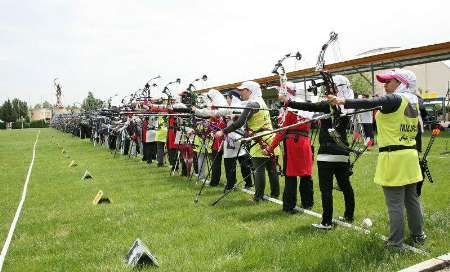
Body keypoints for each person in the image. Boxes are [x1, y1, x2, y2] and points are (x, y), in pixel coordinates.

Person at [327, 68, 426, 247]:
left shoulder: (396, 99)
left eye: (389, 81)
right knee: (411, 200)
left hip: (393, 158)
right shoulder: (414, 101)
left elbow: (374, 101)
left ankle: (396, 243)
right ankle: (419, 235)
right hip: (409, 156)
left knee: (394, 203)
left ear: (402, 83)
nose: (385, 84)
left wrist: (342, 100)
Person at [281, 75, 355, 229]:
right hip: (342, 152)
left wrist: (290, 103)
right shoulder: (349, 105)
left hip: (327, 153)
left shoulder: (328, 104)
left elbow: (309, 107)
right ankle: (349, 216)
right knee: (345, 186)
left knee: (326, 189)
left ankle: (326, 222)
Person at [216, 81, 280, 201]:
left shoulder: (252, 103)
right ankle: (275, 195)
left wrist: (223, 131)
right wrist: (235, 116)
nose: (241, 92)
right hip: (270, 138)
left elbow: (240, 122)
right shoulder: (261, 102)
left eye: (243, 90)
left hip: (260, 140)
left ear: (249, 91)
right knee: (271, 169)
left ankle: (258, 197)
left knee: (259, 169)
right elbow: (248, 117)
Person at [264, 82, 314, 213]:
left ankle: (289, 206)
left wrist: (270, 149)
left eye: (280, 91)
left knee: (290, 175)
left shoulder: (290, 108)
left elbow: (282, 131)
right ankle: (307, 203)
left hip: (293, 144)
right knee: (305, 174)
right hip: (305, 143)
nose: (278, 94)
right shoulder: (302, 105)